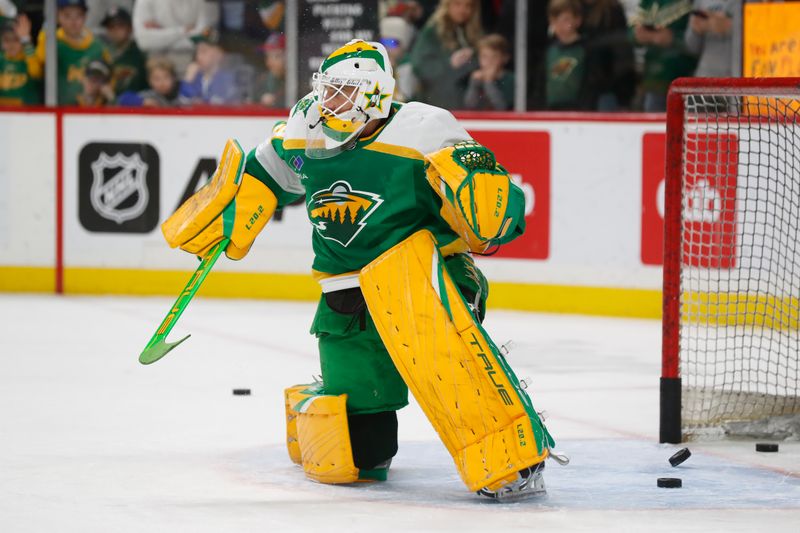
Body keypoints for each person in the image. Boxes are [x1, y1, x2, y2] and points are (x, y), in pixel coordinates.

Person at [161, 40, 558, 500]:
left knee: (450, 365)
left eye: (343, 91)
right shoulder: (306, 126)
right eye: (327, 89)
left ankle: (512, 457)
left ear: (376, 94)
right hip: (346, 290)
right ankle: (330, 399)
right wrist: (236, 206)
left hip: (426, 276)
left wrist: (488, 197)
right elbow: (269, 171)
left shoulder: (424, 129)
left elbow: (484, 189)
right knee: (356, 459)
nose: (329, 102)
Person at [408, 0, 482, 109]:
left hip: (464, 100)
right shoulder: (433, 32)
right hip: (436, 100)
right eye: (457, 4)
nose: (463, 10)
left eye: (468, 6)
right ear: (447, 5)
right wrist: (449, 63)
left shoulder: (473, 32)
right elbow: (419, 65)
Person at [34, 0, 110, 105]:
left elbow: (109, 79)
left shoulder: (98, 46)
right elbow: (39, 66)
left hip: (93, 113)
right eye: (67, 16)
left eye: (78, 16)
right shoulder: (52, 42)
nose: (73, 21)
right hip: (59, 111)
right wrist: (45, 35)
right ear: (57, 16)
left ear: (85, 17)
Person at [630, 0, 697, 111]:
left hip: (686, 77)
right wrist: (639, 34)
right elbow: (631, 30)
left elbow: (699, 39)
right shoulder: (647, 3)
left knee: (687, 122)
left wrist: (674, 38)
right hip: (654, 78)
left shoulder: (693, 3)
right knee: (655, 121)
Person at [536, 0, 598, 110]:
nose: (559, 24)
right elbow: (541, 84)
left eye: (565, 19)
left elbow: (591, 84)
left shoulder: (587, 49)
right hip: (551, 111)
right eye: (554, 20)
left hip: (577, 111)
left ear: (578, 20)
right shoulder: (549, 50)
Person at [132, 0, 214, 76]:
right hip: (158, 75)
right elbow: (143, 41)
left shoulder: (204, 2)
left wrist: (161, 35)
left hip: (195, 72)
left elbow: (204, 39)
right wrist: (183, 31)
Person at [581, 0, 635, 110]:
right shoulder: (572, 8)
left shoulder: (612, 10)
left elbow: (622, 49)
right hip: (579, 88)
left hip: (608, 87)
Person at [180, 28, 241, 105]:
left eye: (203, 51)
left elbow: (214, 108)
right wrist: (187, 81)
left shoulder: (229, 79)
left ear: (219, 53)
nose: (198, 56)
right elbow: (182, 106)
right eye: (197, 51)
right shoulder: (195, 77)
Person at [101, 7, 147, 95]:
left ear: (130, 28)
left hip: (135, 105)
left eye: (120, 26)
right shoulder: (102, 53)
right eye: (111, 27)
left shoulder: (140, 53)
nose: (115, 31)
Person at [685, 0, 737, 77]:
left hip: (740, 76)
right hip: (707, 76)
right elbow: (691, 47)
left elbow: (759, 30)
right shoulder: (701, 2)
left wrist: (730, 27)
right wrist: (696, 31)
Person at [464, 33, 514, 110]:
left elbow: (502, 107)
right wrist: (474, 84)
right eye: (484, 56)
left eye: (494, 56)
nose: (489, 61)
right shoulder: (476, 78)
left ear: (505, 58)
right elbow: (470, 106)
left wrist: (489, 81)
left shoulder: (511, 79)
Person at [0, 14, 42, 105]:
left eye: (16, 39)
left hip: (27, 116)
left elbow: (36, 71)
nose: (11, 45)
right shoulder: (1, 59)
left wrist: (26, 41)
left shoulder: (30, 57)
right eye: (6, 40)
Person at [117, 56, 190, 107]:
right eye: (156, 79)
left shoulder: (182, 94)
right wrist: (143, 102)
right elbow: (123, 99)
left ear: (173, 78)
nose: (162, 82)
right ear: (149, 81)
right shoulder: (149, 96)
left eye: (166, 77)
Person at [253, 32, 285, 108]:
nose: (269, 63)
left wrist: (277, 100)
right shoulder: (262, 80)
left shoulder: (299, 81)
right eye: (267, 56)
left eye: (276, 56)